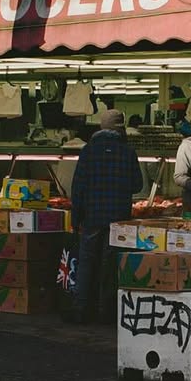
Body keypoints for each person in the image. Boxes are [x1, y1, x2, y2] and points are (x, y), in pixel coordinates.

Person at [68, 109, 143, 323]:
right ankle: (105, 310)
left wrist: (76, 218)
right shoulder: (128, 152)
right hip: (118, 218)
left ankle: (82, 308)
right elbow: (138, 185)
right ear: (120, 128)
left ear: (101, 127)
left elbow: (78, 187)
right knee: (108, 264)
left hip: (91, 216)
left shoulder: (88, 151)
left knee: (87, 262)